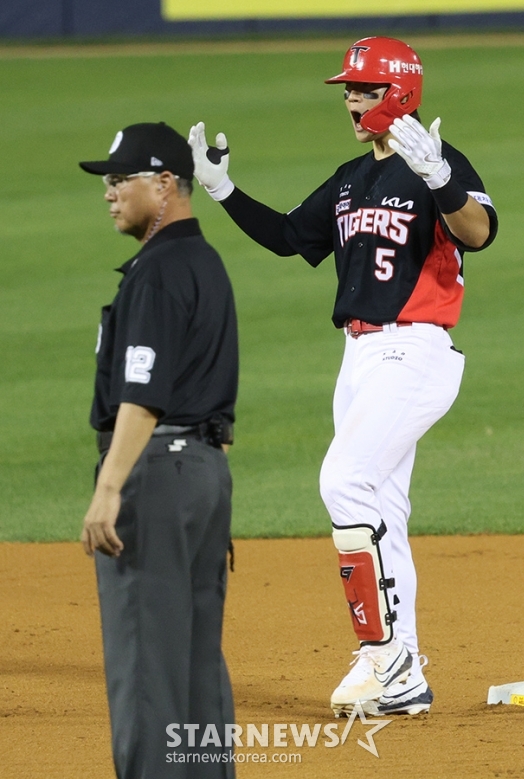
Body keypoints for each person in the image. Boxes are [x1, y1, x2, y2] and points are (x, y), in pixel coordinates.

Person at [188, 36, 497, 718]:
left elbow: (477, 231)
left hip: (413, 352)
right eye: (349, 90)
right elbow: (292, 237)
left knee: (344, 480)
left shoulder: (438, 164)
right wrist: (223, 190)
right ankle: (404, 673)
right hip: (359, 359)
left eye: (365, 89)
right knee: (383, 509)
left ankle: (383, 656)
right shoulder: (351, 177)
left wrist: (440, 175)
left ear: (403, 92)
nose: (352, 101)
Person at [79, 121, 238, 777]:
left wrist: (110, 487)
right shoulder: (205, 263)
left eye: (122, 180)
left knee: (148, 668)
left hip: (159, 475)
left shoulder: (157, 272)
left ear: (165, 184)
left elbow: (142, 398)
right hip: (204, 478)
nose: (109, 193)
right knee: (198, 672)